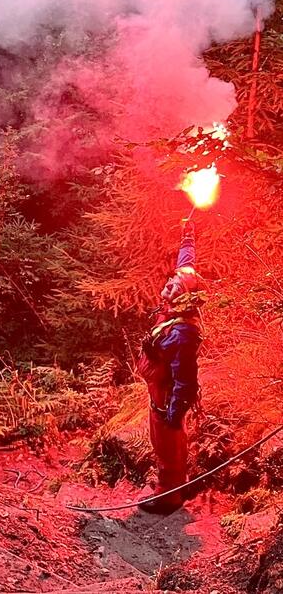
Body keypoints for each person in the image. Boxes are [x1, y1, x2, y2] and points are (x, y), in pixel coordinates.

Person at [136, 220, 204, 514]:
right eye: (170, 282)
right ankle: (177, 485)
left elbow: (185, 381)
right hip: (157, 393)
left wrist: (173, 414)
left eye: (173, 286)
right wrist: (187, 236)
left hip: (166, 399)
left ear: (184, 297)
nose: (167, 285)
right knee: (165, 443)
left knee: (168, 444)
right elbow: (185, 264)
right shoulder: (174, 308)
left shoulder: (183, 332)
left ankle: (169, 496)